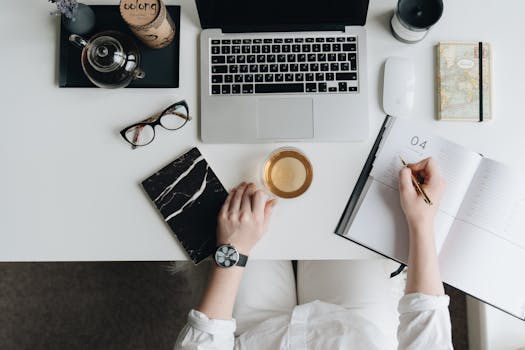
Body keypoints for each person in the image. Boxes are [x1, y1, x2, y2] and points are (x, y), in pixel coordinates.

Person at [175, 157, 453, 349]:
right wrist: (421, 221)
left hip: (253, 334)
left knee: (235, 196)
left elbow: (201, 344)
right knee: (350, 199)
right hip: (356, 327)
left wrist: (232, 252)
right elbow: (428, 336)